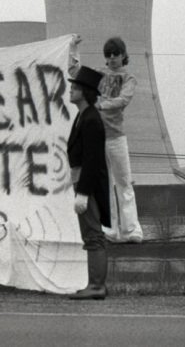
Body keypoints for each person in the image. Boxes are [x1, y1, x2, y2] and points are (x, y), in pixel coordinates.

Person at [69, 36, 143, 243]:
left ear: (123, 55)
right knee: (104, 184)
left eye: (115, 54)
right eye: (108, 55)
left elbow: (123, 100)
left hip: (116, 137)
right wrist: (73, 48)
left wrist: (102, 105)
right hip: (97, 138)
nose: (111, 58)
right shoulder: (99, 75)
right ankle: (109, 229)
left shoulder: (128, 79)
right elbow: (76, 73)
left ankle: (131, 229)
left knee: (124, 182)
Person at [66, 65, 111, 300]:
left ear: (84, 91)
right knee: (91, 235)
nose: (70, 90)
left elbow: (93, 160)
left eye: (74, 87)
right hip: (81, 182)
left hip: (87, 185)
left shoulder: (91, 119)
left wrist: (83, 193)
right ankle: (95, 283)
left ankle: (96, 285)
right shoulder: (83, 116)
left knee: (93, 235)